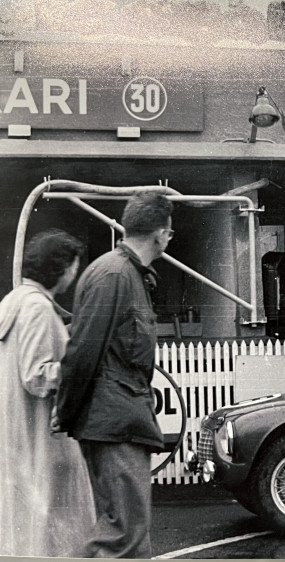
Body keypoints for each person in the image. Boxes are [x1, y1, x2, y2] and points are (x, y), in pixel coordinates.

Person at [55, 192, 174, 558]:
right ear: (160, 233)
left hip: (118, 421)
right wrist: (67, 411)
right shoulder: (115, 274)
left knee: (129, 537)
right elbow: (82, 351)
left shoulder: (125, 274)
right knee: (123, 537)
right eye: (169, 230)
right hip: (114, 425)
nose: (171, 236)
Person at [0, 229, 93, 557]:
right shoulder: (38, 308)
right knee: (54, 536)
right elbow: (37, 376)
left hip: (19, 440)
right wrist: (79, 366)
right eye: (74, 267)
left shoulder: (13, 302)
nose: (74, 275)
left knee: (26, 535)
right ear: (62, 268)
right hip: (43, 440)